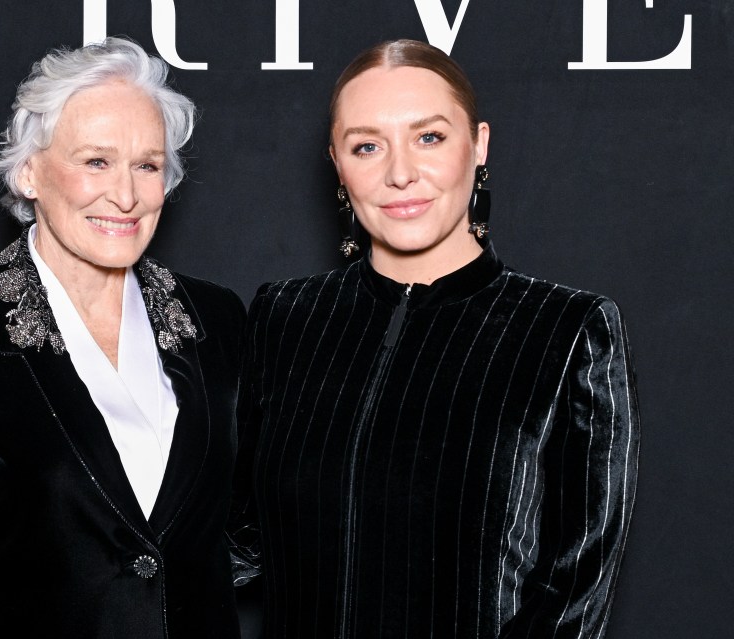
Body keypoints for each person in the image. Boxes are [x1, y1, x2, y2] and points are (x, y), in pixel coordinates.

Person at [230, 39, 639, 638]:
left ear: (478, 146)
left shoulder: (568, 330)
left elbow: (575, 594)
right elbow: (238, 541)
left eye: (429, 138)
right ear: (337, 166)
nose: (400, 174)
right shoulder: (285, 317)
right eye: (367, 146)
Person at [0, 38, 244, 638]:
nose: (124, 196)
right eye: (96, 161)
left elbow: (242, 528)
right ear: (28, 172)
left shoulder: (216, 320)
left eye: (147, 165)